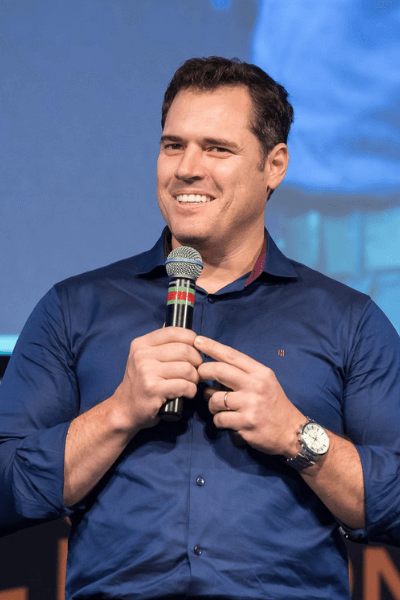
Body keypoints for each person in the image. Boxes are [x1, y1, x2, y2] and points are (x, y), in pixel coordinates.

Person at [1, 56, 400, 600]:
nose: (187, 168)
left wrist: (297, 436)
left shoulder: (349, 320)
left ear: (274, 165)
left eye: (217, 149)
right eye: (173, 145)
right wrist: (118, 413)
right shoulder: (74, 308)